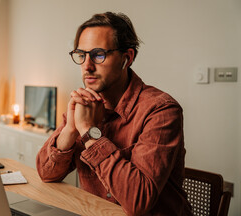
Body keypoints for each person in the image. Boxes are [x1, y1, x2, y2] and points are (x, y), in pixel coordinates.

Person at [36, 12, 192, 215]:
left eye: (98, 54)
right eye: (81, 55)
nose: (87, 66)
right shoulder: (83, 105)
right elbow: (46, 174)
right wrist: (70, 128)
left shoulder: (161, 110)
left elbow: (138, 201)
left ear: (126, 58)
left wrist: (88, 131)